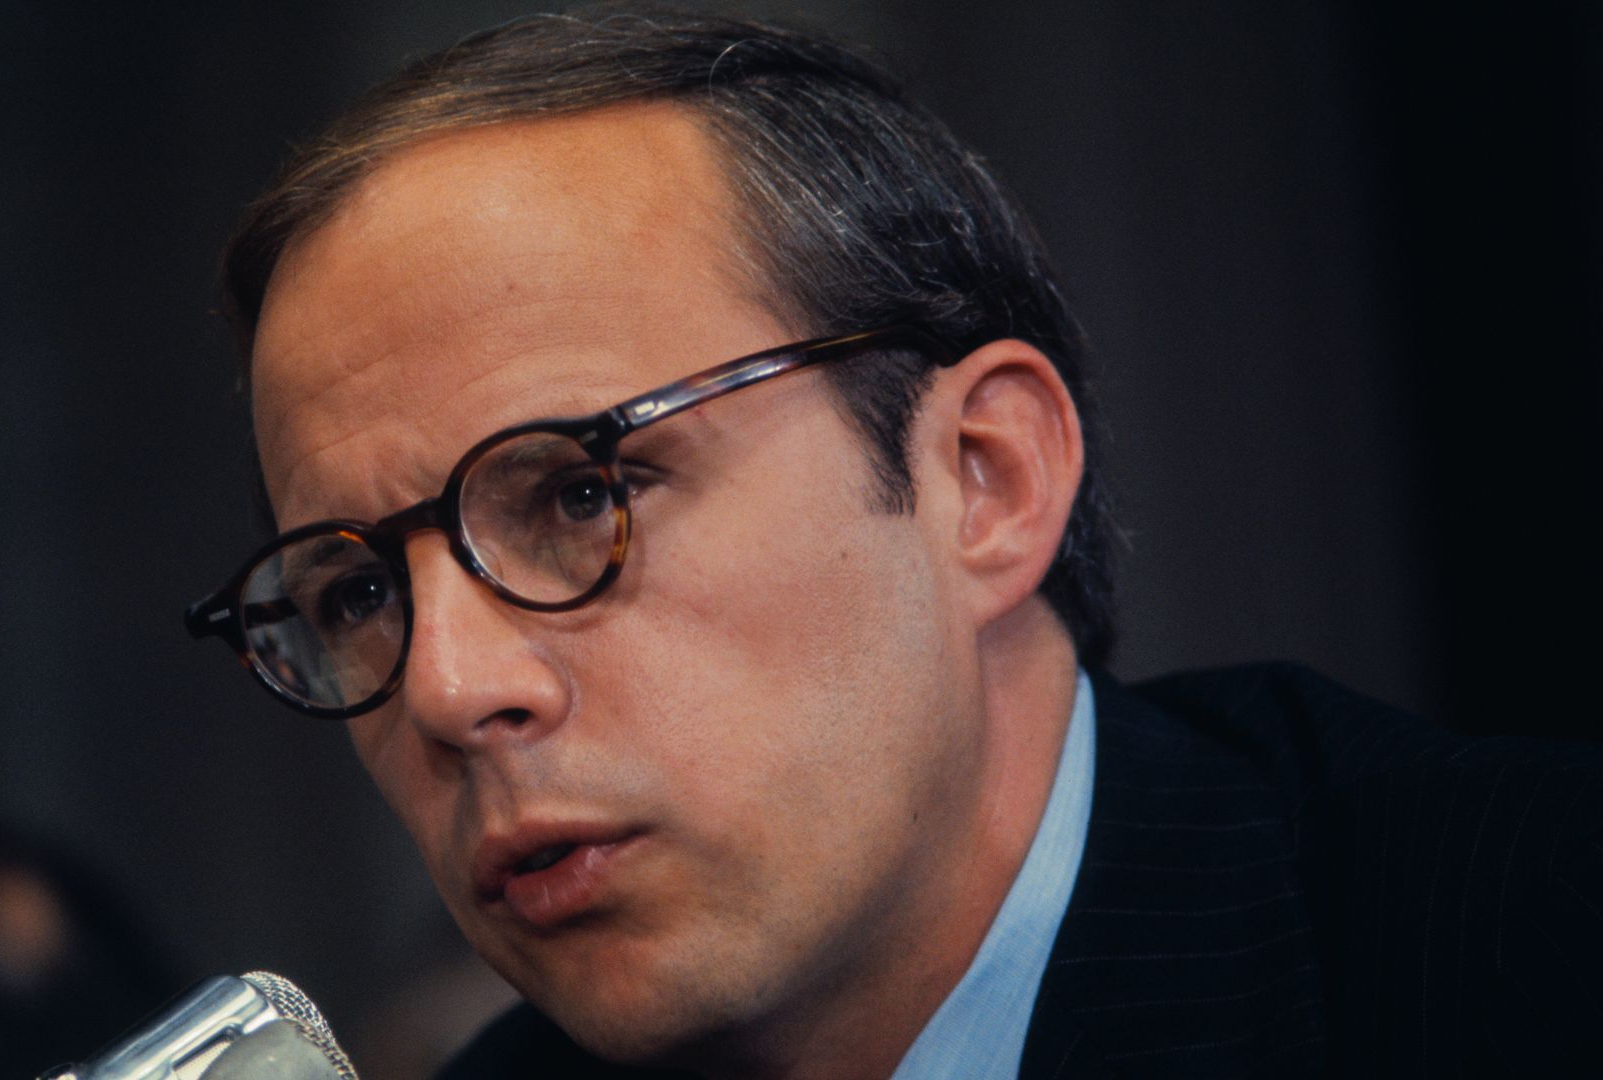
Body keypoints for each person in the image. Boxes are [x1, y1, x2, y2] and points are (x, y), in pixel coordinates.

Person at [186, 10, 1603, 1078]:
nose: (449, 690)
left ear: (986, 481)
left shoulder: (1531, 947)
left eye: (576, 497)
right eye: (355, 590)